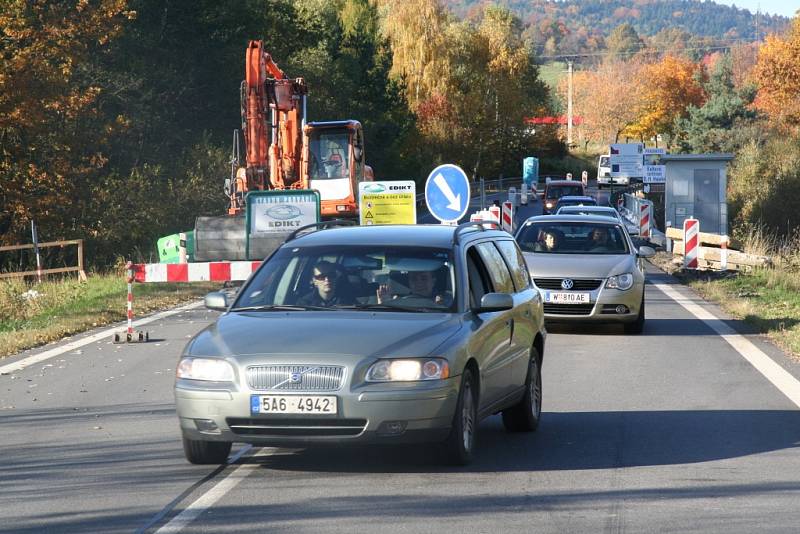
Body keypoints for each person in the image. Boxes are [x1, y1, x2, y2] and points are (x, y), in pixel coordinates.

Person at [376, 269, 452, 306]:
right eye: (414, 279)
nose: (419, 283)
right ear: (409, 282)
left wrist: (441, 309)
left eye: (424, 278)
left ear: (433, 281)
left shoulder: (449, 300)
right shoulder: (397, 302)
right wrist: (385, 305)